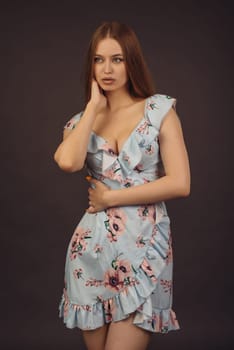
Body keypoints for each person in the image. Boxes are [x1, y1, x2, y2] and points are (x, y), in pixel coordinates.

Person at [54, 21, 190, 350]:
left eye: (117, 59)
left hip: (144, 247)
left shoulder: (159, 111)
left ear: (132, 61)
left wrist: (111, 198)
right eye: (99, 60)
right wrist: (92, 108)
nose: (107, 69)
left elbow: (180, 183)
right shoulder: (80, 122)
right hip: (90, 253)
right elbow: (68, 162)